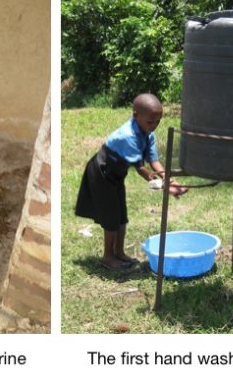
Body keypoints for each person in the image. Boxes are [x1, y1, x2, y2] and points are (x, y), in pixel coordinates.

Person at [75, 93, 187, 270]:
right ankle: (108, 257)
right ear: (136, 115)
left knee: (121, 216)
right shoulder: (128, 136)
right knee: (111, 217)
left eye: (158, 122)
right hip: (102, 172)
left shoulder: (147, 132)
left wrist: (168, 179)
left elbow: (154, 161)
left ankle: (119, 252)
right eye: (151, 121)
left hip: (116, 175)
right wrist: (167, 187)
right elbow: (142, 169)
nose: (154, 125)